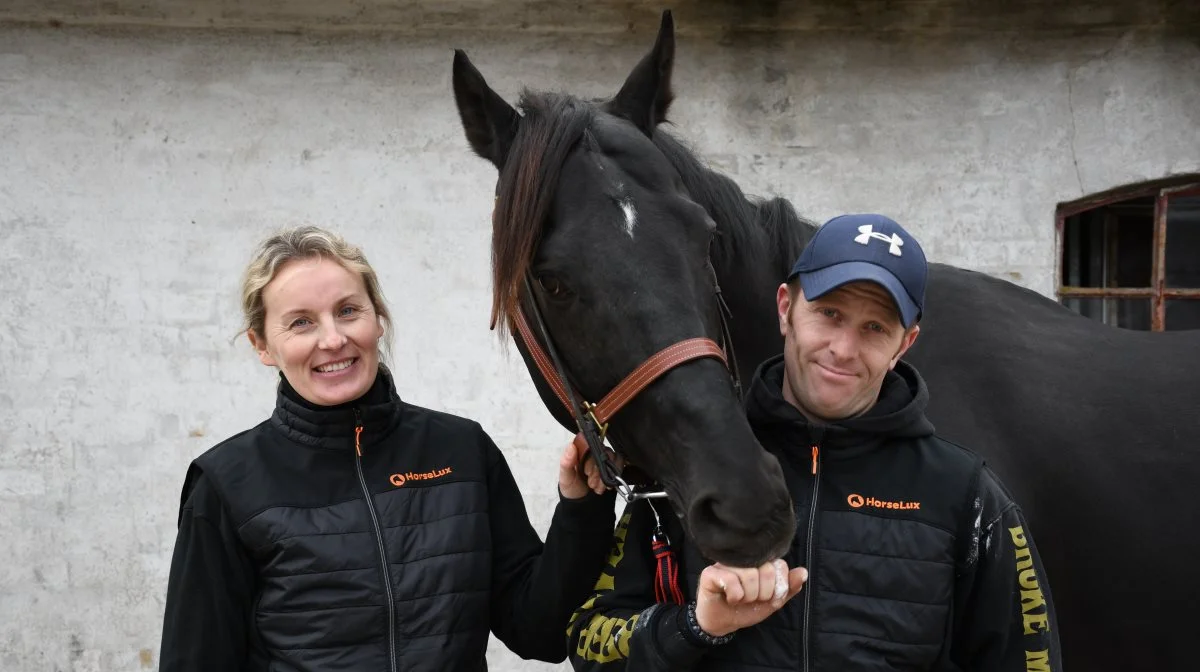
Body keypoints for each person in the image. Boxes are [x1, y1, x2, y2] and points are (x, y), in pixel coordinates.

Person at [567, 214, 1061, 670]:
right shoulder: (694, 462)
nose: (844, 350)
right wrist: (696, 627)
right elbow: (588, 642)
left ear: (904, 344)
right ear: (786, 309)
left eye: (874, 327)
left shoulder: (967, 497)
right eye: (828, 313)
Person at [159, 225, 617, 671]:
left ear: (377, 318)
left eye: (348, 311)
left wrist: (582, 510)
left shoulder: (462, 451)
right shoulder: (227, 483)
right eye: (301, 322)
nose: (333, 339)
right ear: (262, 345)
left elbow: (538, 631)